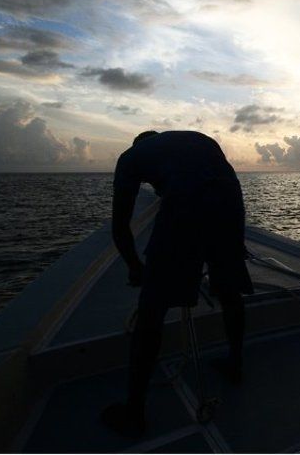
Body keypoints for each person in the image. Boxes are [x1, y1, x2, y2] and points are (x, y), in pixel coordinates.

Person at [102, 130, 254, 436]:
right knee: (228, 289)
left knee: (152, 309)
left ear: (138, 144)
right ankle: (235, 365)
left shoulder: (131, 158)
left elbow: (120, 227)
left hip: (186, 206)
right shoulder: (194, 141)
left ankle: (134, 413)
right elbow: (205, 179)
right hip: (231, 201)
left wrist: (135, 267)